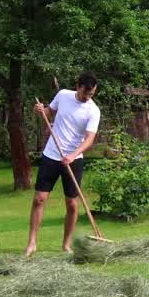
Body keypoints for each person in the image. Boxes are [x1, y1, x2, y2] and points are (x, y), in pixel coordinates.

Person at [26, 72, 100, 256]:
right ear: (78, 86)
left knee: (72, 204)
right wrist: (42, 111)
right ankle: (32, 243)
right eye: (86, 93)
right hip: (51, 155)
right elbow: (50, 112)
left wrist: (74, 155)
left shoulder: (93, 111)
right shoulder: (63, 95)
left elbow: (90, 139)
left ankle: (66, 245)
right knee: (39, 199)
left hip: (74, 160)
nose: (88, 97)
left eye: (91, 94)